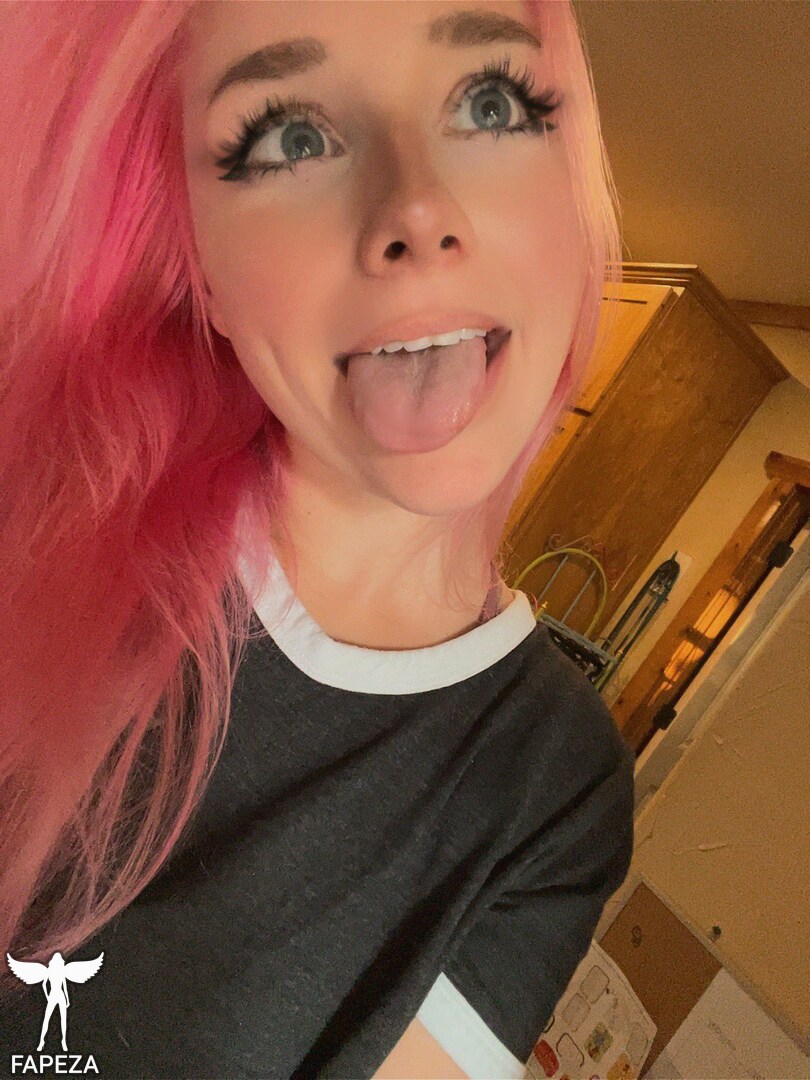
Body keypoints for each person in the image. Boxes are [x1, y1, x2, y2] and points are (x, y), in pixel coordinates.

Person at [0, 1, 633, 1077]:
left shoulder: (552, 792)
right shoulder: (36, 519)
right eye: (291, 135)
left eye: (490, 102)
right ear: (199, 264)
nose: (417, 209)